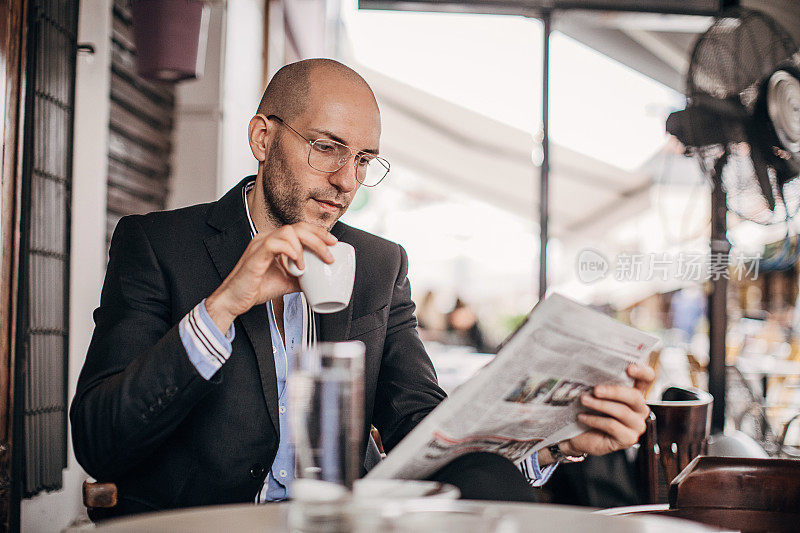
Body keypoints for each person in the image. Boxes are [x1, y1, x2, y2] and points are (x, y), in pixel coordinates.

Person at [70, 59, 654, 517]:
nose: (347, 181)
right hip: (207, 524)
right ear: (262, 137)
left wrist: (554, 442)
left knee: (491, 487)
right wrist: (224, 307)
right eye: (326, 147)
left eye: (365, 159)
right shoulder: (158, 245)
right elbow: (99, 441)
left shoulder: (376, 264)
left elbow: (422, 426)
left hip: (341, 525)